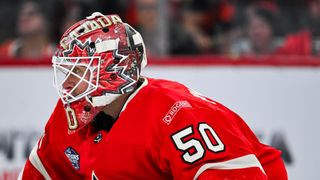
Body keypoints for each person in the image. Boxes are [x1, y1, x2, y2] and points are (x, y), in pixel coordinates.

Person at [18, 12, 288, 179]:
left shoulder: (178, 115)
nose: (69, 82)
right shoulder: (72, 117)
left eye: (79, 70)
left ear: (113, 70)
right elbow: (43, 173)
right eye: (67, 72)